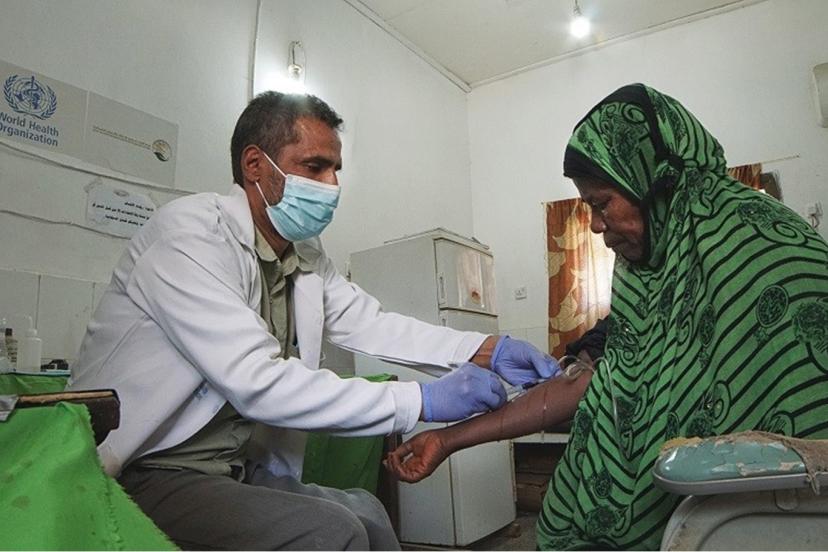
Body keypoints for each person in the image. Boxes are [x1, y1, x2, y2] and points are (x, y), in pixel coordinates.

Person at [67, 91, 560, 551]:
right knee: (331, 531)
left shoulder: (302, 253)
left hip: (231, 467)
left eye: (336, 169)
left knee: (368, 510)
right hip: (150, 470)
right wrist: (421, 400)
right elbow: (258, 381)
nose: (332, 186)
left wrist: (485, 349)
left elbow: (370, 323)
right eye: (314, 167)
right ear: (255, 165)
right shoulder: (190, 237)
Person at [385, 83, 828, 550]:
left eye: (601, 204)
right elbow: (603, 382)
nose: (596, 225)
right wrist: (447, 440)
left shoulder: (760, 246)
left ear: (655, 183)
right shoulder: (654, 273)